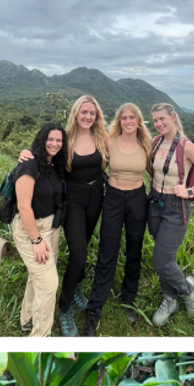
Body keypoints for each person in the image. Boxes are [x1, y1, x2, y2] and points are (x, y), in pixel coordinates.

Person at [146, 102, 194, 326]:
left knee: (161, 260)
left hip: (175, 207)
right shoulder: (156, 141)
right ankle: (169, 299)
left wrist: (189, 191)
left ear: (172, 117)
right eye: (155, 120)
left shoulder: (187, 146)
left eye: (162, 119)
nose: (159, 124)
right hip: (154, 203)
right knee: (165, 258)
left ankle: (187, 290)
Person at [82, 102, 152, 336]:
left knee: (134, 250)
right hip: (112, 197)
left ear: (139, 120)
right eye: (124, 118)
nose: (129, 121)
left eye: (133, 117)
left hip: (137, 199)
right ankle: (94, 309)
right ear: (119, 121)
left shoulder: (146, 145)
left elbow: (159, 170)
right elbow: (81, 138)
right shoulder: (109, 141)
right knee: (107, 250)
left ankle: (129, 300)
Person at [57, 95, 110, 336]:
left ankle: (77, 289)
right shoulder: (65, 139)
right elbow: (45, 157)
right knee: (78, 255)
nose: (88, 117)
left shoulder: (102, 137)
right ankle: (64, 309)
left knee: (84, 245)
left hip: (96, 195)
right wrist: (26, 154)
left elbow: (126, 150)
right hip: (74, 199)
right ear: (76, 114)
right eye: (84, 112)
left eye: (92, 113)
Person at [12, 122, 67, 337]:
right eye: (50, 139)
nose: (54, 144)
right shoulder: (29, 165)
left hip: (51, 227)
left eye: (59, 140)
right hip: (31, 230)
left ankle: (27, 319)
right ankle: (40, 336)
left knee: (38, 276)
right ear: (42, 139)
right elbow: (24, 207)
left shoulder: (53, 164)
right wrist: (36, 241)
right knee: (49, 284)